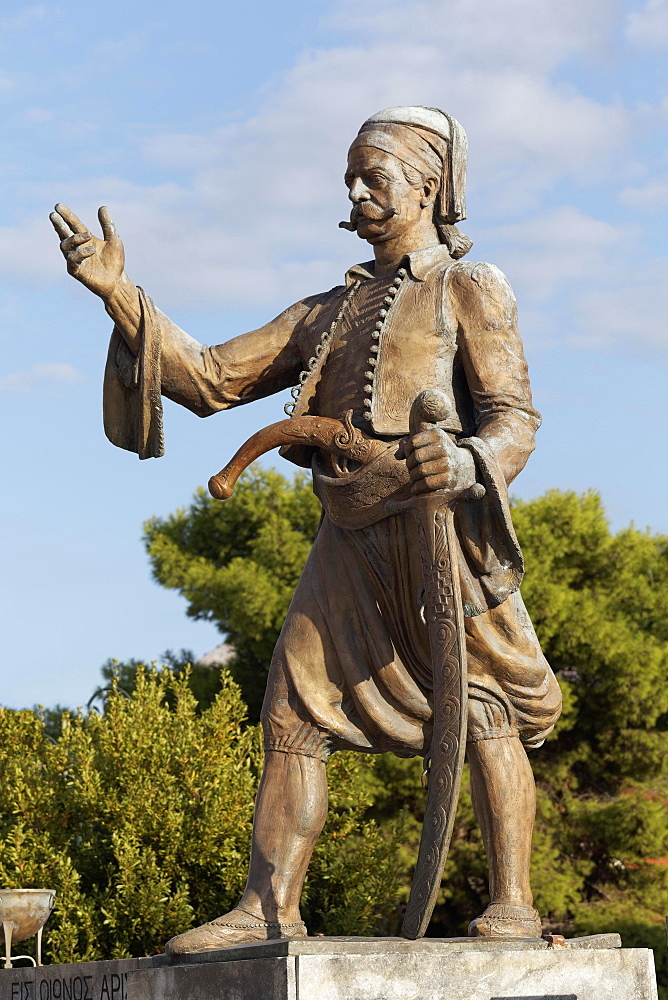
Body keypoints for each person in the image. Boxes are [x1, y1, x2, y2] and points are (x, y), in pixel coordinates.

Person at [50, 106, 562, 954]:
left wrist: (470, 462)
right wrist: (119, 296)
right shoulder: (322, 312)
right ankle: (269, 907)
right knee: (292, 705)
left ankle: (513, 901)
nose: (357, 192)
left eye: (375, 177)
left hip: (440, 531)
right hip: (349, 539)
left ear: (428, 186)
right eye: (350, 179)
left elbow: (514, 416)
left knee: (484, 706)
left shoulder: (469, 287)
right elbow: (211, 379)